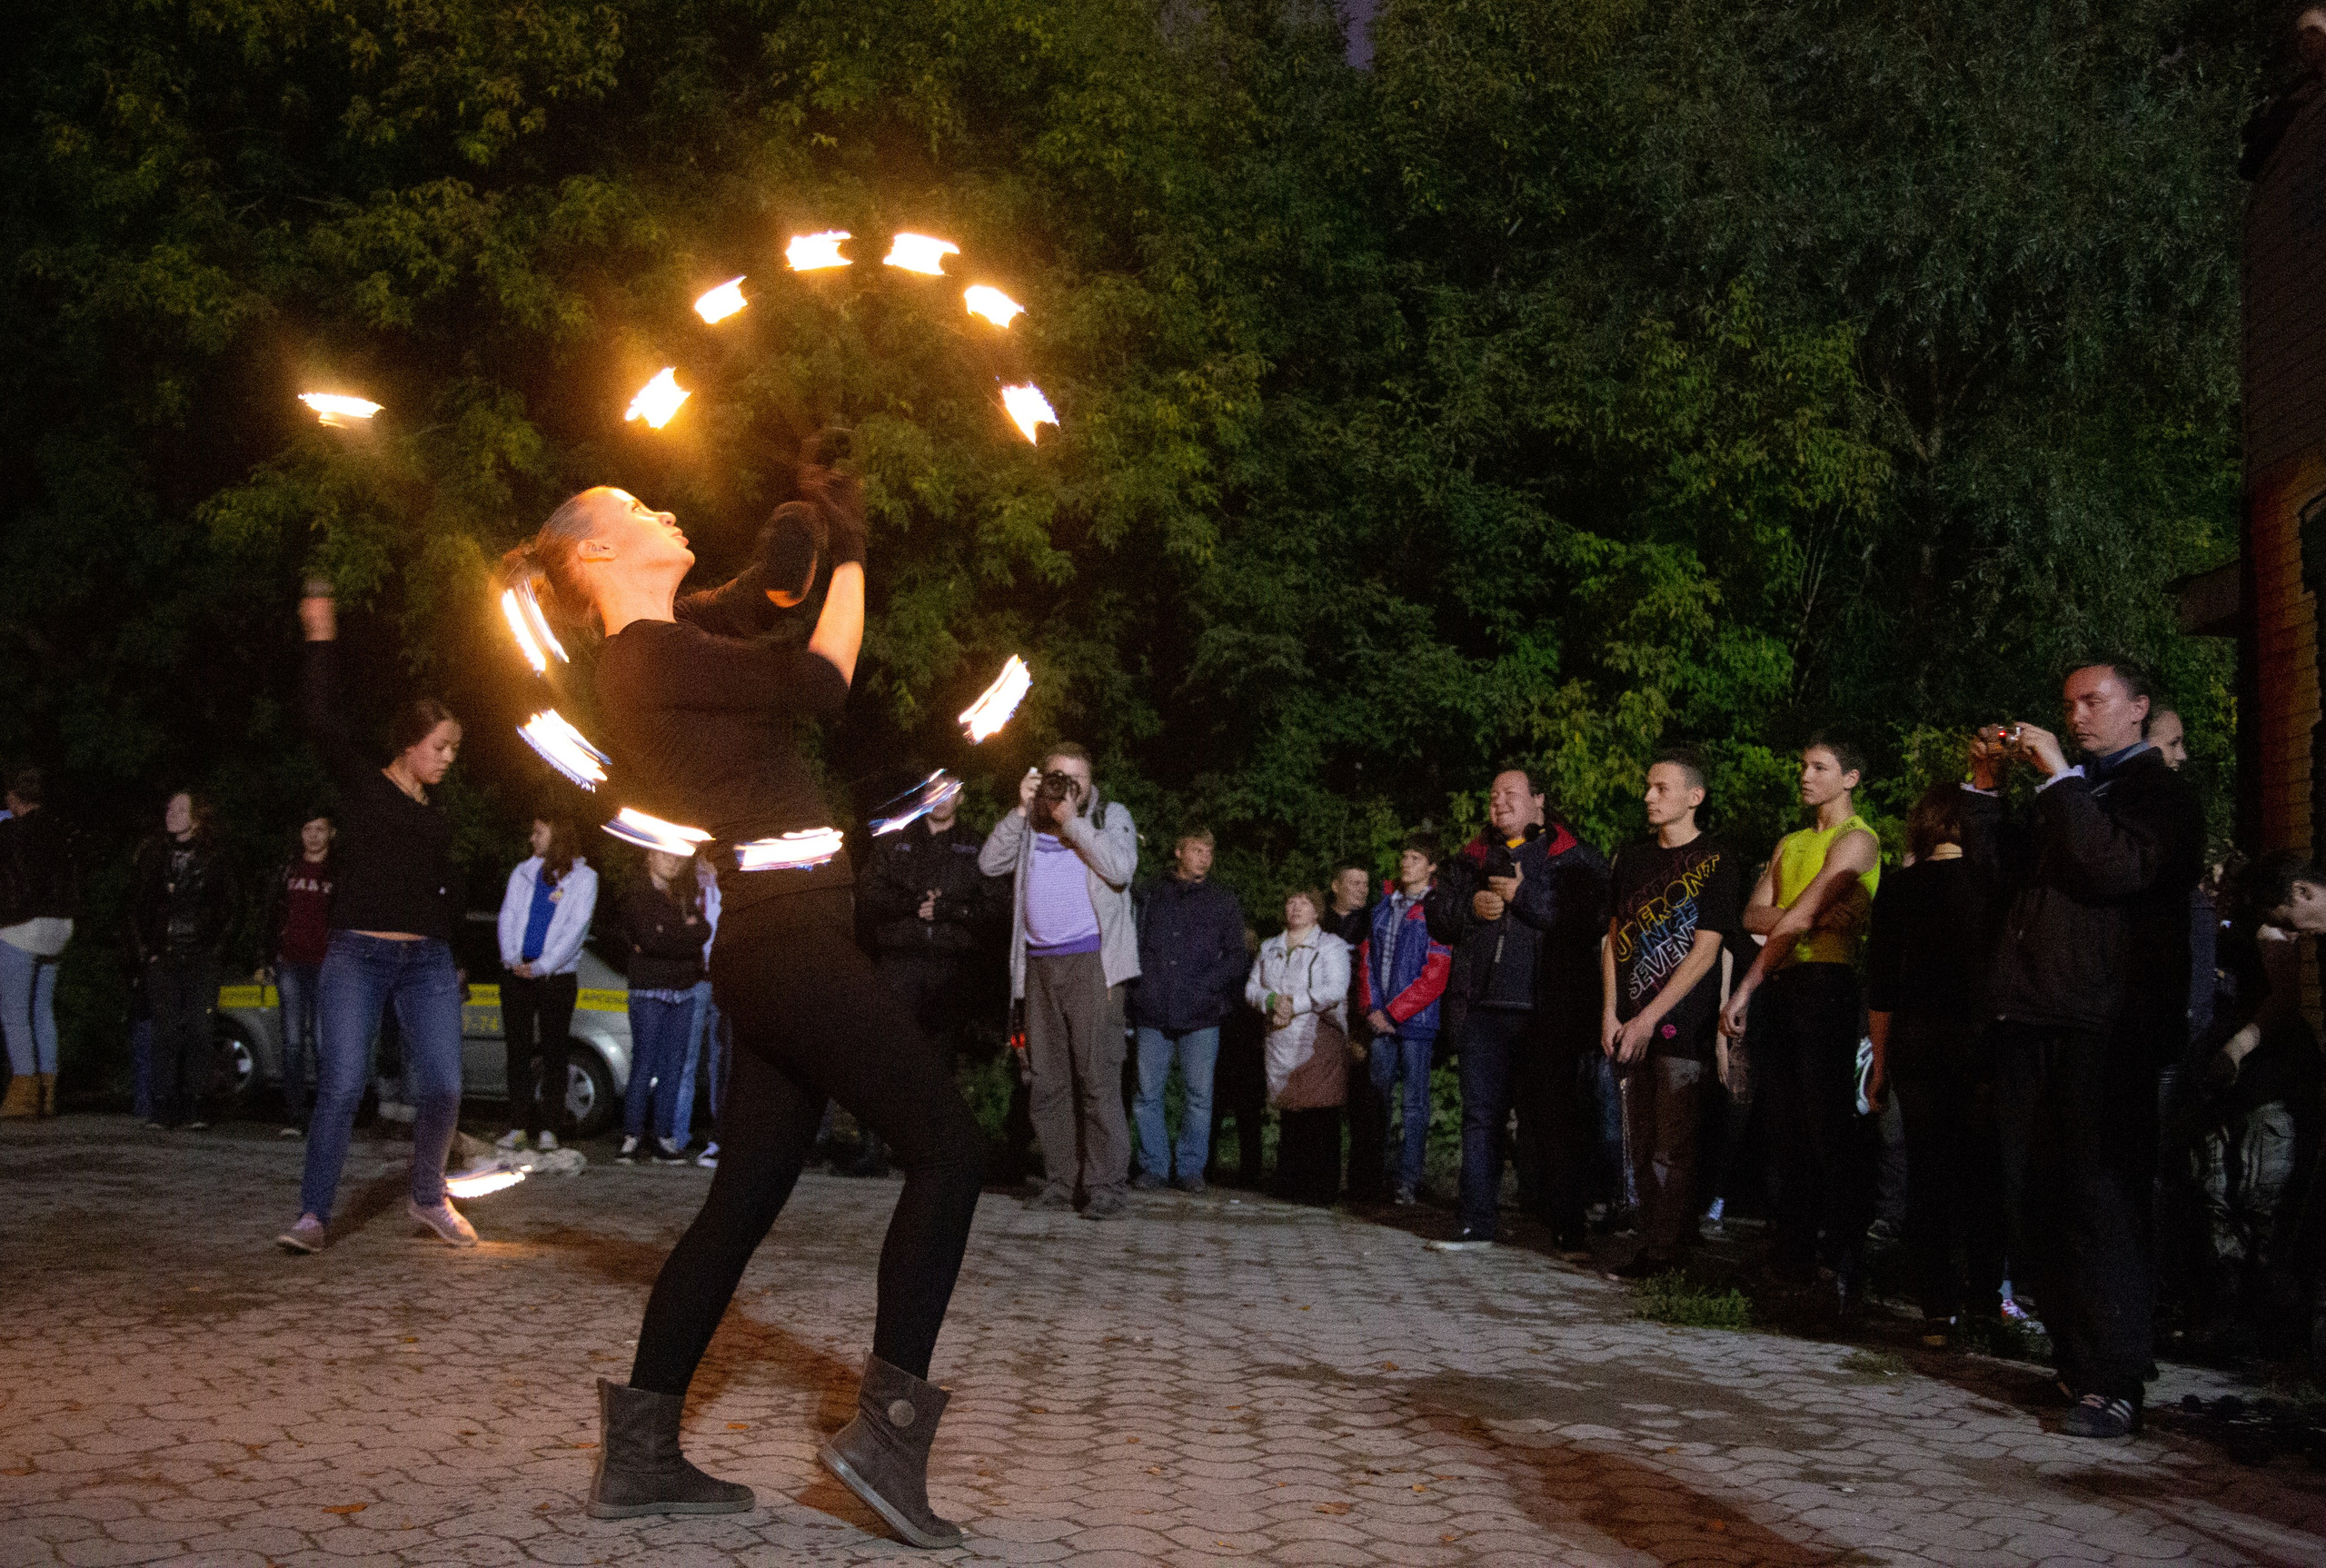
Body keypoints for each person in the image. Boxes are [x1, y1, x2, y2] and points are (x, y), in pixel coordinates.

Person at [504, 459, 985, 1544]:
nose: (663, 510)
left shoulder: (667, 640)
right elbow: (820, 680)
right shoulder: (650, 655)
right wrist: (854, 547)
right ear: (594, 555)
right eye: (638, 512)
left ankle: (639, 1457)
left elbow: (761, 590)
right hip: (787, 943)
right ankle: (885, 1441)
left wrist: (802, 518)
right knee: (948, 1151)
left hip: (764, 946)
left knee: (745, 1197)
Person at [1959, 660, 2205, 1439]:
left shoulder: (2157, 794)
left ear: (2138, 709)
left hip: (2108, 1024)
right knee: (2034, 1193)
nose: (2077, 716)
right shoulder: (2076, 790)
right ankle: (2074, 1357)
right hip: (2032, 1014)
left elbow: (2111, 869)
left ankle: (2116, 1379)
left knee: (2102, 1199)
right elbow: (1997, 886)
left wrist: (2061, 780)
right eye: (2068, 704)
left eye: (2094, 702)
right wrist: (1985, 790)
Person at [278, 587, 474, 1255]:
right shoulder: (364, 787)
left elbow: (447, 889)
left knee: (445, 1084)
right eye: (441, 745)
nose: (449, 757)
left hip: (427, 964)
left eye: (454, 748)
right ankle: (313, 1214)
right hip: (357, 956)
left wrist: (455, 951)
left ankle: (427, 1196)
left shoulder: (439, 815)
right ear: (411, 742)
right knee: (342, 1084)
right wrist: (320, 637)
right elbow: (318, 716)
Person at [1719, 736, 1882, 1309]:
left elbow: (1786, 917)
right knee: (1782, 1127)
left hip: (1825, 988)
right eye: (1803, 765)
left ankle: (1843, 1262)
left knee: (1824, 1126)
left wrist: (1747, 981)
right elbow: (1752, 913)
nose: (1806, 776)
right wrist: (1808, 915)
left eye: (1820, 767)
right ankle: (1790, 1258)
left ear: (1851, 777)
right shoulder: (1790, 842)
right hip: (1787, 987)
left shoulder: (1858, 840)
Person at [1425, 769, 1610, 1252]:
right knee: (1480, 1118)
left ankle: (1567, 1224)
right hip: (1482, 1009)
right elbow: (1438, 918)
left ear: (1539, 801)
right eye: (1493, 796)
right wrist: (1471, 905)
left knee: (1552, 1120)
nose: (1499, 803)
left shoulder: (1574, 857)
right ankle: (1475, 1223)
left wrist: (1519, 894)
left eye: (1510, 794)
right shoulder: (1471, 857)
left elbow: (1586, 921)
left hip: (1546, 1012)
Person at [1864, 784, 2003, 1340]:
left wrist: (1879, 1064)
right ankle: (1987, 1299)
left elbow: (1881, 988)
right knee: (1984, 1173)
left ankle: (1937, 1308)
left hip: (1919, 1045)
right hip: (1983, 1045)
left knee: (1928, 1173)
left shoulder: (1898, 890)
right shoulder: (1994, 885)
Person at [980, 744, 1140, 1219]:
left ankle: (1106, 1186)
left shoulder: (1109, 815)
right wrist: (1018, 809)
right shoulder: (1030, 821)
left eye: (1076, 778)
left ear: (1090, 783)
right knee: (1047, 1081)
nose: (1066, 785)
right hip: (1037, 966)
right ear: (1041, 776)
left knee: (1097, 1077)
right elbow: (989, 864)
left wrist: (1072, 821)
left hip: (1094, 964)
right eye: (1057, 776)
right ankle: (1059, 1181)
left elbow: (1120, 867)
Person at [1602, 751, 1741, 1277]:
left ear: (1694, 797)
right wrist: (1612, 1012)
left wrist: (1648, 1017)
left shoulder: (1717, 859)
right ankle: (1654, 1242)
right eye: (1648, 786)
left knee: (1672, 1146)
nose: (1649, 796)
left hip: (1682, 1024)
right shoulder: (1633, 859)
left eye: (1661, 788)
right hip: (1630, 1018)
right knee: (1638, 1143)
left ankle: (1666, 1251)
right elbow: (1613, 939)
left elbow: (1705, 952)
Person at [2189, 853, 2321, 1355]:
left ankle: (2265, 1325)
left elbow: (2283, 1001)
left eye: (2229, 887)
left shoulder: (2265, 935)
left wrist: (2239, 1047)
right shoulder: (2232, 933)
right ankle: (2238, 1318)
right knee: (2221, 1194)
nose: (2219, 893)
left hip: (2265, 1083)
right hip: (2232, 1086)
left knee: (2258, 1198)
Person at [858, 780, 989, 1177]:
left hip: (949, 966)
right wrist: (910, 904)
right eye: (935, 790)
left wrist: (951, 910)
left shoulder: (977, 844)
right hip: (899, 962)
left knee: (939, 1065)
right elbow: (867, 890)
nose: (942, 799)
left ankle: (930, 1152)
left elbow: (996, 902)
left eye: (951, 791)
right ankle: (872, 1148)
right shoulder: (897, 838)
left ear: (963, 798)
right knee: (886, 1056)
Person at [1128, 829, 1247, 1193]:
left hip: (1202, 1012)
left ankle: (1191, 1168)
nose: (1204, 858)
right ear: (1179, 851)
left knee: (1199, 1095)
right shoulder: (1150, 894)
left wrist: (1207, 986)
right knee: (1148, 1093)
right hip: (1153, 1008)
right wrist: (1142, 988)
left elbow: (1237, 956)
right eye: (1197, 850)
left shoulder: (1223, 901)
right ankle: (1154, 1166)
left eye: (1209, 852)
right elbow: (1131, 941)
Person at [130, 790, 234, 1133]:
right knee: (165, 1029)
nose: (171, 813)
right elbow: (137, 905)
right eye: (170, 807)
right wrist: (148, 950)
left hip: (201, 955)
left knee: (200, 1029)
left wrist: (216, 948)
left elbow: (232, 907)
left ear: (197, 816)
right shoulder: (152, 854)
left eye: (180, 808)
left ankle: (195, 1103)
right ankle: (162, 1105)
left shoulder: (215, 857)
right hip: (165, 954)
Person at [494, 814, 599, 1154]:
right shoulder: (523, 872)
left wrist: (541, 966)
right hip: (517, 974)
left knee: (555, 1051)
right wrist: (513, 959)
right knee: (517, 1051)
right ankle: (518, 1125)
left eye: (539, 831)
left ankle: (551, 1128)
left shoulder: (585, 879)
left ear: (557, 834)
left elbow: (575, 930)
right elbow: (508, 915)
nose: (532, 837)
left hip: (556, 978)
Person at [1357, 835, 1451, 1206]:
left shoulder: (1435, 908)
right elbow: (1366, 961)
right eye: (1405, 856)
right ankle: (1375, 1176)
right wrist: (1372, 1009)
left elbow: (1436, 973)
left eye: (1416, 858)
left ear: (1431, 867)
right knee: (1378, 1100)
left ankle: (1407, 1180)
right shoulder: (1383, 907)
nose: (1407, 863)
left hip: (1417, 1022)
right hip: (1381, 1021)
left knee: (1414, 1104)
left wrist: (1394, 1011)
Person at [1247, 888, 1353, 1205]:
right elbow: (1252, 988)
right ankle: (1291, 1182)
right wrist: (1271, 1001)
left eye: (1304, 903)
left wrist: (1295, 1004)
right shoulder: (1269, 947)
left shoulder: (1331, 946)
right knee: (1291, 1111)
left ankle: (1321, 1188)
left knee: (1319, 1112)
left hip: (1319, 1034)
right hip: (1279, 1036)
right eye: (1291, 901)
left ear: (1317, 911)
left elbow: (1335, 988)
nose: (1296, 907)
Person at [617, 848, 706, 1164]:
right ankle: (631, 1135)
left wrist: (672, 936)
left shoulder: (681, 894)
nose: (674, 861)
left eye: (678, 857)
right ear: (649, 857)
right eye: (665, 855)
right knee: (645, 1063)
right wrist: (684, 935)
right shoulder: (639, 895)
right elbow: (650, 939)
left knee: (674, 1065)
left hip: (682, 990)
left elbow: (702, 930)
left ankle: (663, 1137)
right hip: (649, 991)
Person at [0, 769, 75, 1119]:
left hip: (21, 927)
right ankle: (49, 1090)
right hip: (59, 926)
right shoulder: (62, 830)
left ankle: (24, 1090)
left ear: (15, 798)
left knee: (14, 1014)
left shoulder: (11, 832)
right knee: (42, 1008)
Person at [257, 813, 334, 1137]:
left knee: (322, 1041)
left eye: (319, 830)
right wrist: (264, 957)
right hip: (290, 963)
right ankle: (294, 1115)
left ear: (331, 833)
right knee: (291, 1041)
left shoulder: (339, 873)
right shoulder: (287, 869)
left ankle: (326, 1115)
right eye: (307, 829)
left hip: (325, 965)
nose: (313, 836)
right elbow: (269, 912)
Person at [1325, 865, 1388, 1201]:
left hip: (1362, 1024)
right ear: (1335, 886)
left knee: (1366, 1108)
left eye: (1365, 883)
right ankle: (1323, 1179)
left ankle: (1364, 1184)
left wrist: (1362, 1033)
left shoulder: (1373, 924)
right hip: (1321, 1026)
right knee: (1324, 1106)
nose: (1361, 889)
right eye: (1354, 882)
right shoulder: (1319, 923)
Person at [674, 856, 725, 1167]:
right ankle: (677, 1137)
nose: (702, 872)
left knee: (719, 1061)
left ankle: (719, 1138)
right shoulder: (687, 899)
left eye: (709, 867)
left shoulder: (725, 897)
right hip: (695, 982)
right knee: (687, 1058)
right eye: (698, 867)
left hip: (721, 981)